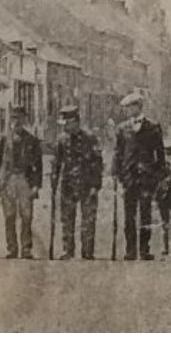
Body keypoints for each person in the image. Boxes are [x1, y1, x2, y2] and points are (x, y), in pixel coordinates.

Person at [114, 92, 167, 261]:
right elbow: (118, 153)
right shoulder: (122, 128)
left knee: (145, 215)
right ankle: (130, 250)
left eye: (129, 107)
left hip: (146, 178)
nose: (127, 110)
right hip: (129, 178)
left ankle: (145, 250)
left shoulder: (153, 127)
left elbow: (160, 154)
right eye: (126, 108)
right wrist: (117, 174)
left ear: (138, 106)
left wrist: (158, 175)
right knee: (129, 215)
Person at [0, 105, 43, 259]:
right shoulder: (3, 138)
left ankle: (26, 248)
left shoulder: (32, 140)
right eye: (14, 118)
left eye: (19, 118)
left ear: (25, 119)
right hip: (8, 179)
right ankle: (11, 248)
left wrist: (36, 185)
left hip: (24, 179)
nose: (16, 121)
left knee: (26, 216)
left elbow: (38, 166)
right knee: (9, 215)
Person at [53, 105, 102, 260]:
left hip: (87, 184)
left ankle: (87, 251)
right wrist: (54, 182)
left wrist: (95, 185)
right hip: (68, 184)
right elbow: (57, 163)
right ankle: (68, 250)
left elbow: (97, 163)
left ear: (76, 122)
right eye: (64, 124)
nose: (65, 127)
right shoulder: (61, 139)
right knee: (67, 219)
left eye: (68, 123)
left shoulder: (90, 138)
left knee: (88, 220)